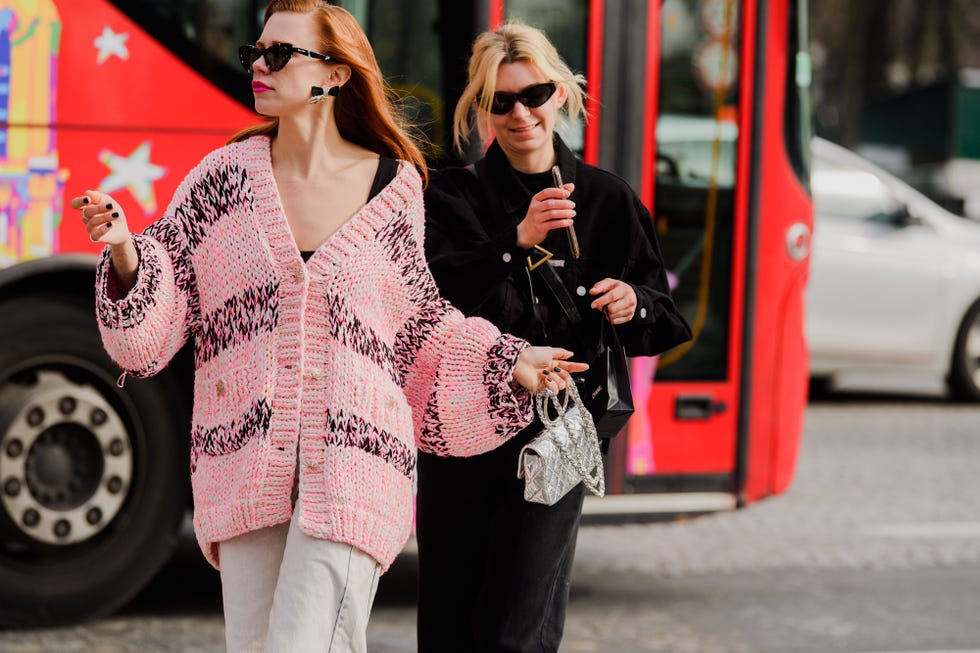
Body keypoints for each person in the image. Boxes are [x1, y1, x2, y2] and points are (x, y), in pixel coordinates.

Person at [72, 4, 587, 652]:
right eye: (254, 52)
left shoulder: (392, 188)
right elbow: (164, 298)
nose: (259, 65)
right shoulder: (221, 183)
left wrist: (506, 360)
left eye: (280, 53)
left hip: (354, 467)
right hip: (242, 464)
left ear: (337, 73)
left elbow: (418, 327)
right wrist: (124, 249)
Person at [417, 21, 693, 653]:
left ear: (560, 94)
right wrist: (513, 245)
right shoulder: (450, 196)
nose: (521, 114)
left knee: (521, 626)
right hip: (459, 433)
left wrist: (632, 305)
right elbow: (432, 300)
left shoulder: (607, 200)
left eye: (534, 94)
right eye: (500, 101)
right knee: (449, 621)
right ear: (481, 110)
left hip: (561, 429)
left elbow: (665, 319)